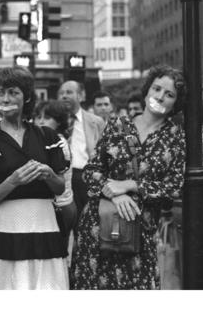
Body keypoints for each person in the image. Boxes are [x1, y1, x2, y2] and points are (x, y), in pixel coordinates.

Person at [71, 65, 186, 289]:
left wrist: (130, 185)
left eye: (169, 94)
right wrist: (114, 195)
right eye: (157, 89)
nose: (160, 97)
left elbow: (174, 187)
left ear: (176, 102)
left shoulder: (176, 138)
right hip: (98, 227)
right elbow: (91, 170)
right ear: (147, 91)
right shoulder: (117, 125)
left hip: (139, 234)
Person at [0, 67, 69, 289]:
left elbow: (60, 188)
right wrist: (12, 181)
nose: (6, 99)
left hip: (44, 228)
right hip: (4, 231)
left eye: (13, 92)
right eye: (1, 93)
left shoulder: (47, 137)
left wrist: (49, 174)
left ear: (27, 97)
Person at [58, 80, 105, 219]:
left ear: (81, 95)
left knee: (86, 223)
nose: (64, 96)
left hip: (85, 177)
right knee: (63, 223)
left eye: (69, 92)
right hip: (62, 178)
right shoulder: (54, 121)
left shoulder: (96, 122)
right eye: (61, 93)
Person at [34, 100, 77, 253]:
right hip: (59, 205)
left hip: (61, 206)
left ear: (58, 122)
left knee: (56, 256)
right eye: (38, 117)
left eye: (46, 118)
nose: (40, 121)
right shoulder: (46, 139)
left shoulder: (58, 143)